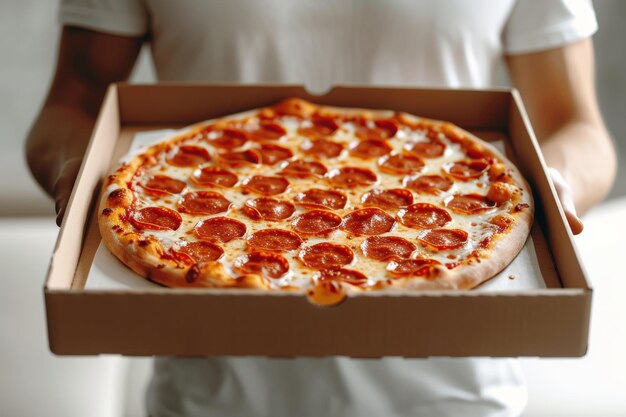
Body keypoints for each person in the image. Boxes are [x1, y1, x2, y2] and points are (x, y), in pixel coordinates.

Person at [26, 1, 616, 416]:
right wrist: (75, 178)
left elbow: (576, 127)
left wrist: (554, 182)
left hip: (457, 395)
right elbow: (71, 105)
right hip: (214, 397)